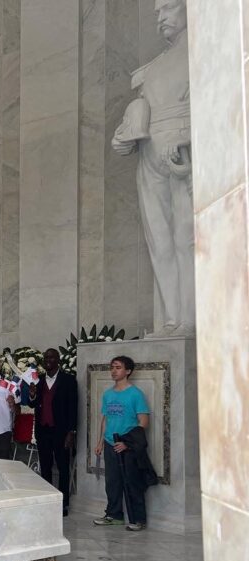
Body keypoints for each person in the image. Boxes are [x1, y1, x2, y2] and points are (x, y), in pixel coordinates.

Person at [111, 0, 195, 335]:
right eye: (157, 12)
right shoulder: (152, 68)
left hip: (183, 152)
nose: (160, 17)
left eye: (168, 8)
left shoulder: (201, 56)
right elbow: (140, 112)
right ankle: (171, 320)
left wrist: (190, 140)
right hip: (150, 156)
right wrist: (124, 137)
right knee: (159, 242)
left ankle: (190, 319)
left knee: (186, 238)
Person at [94, 355, 154, 531]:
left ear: (128, 371)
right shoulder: (108, 394)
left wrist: (129, 443)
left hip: (127, 445)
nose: (114, 371)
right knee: (112, 482)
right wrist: (100, 442)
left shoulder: (135, 394)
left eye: (118, 367)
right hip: (110, 443)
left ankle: (138, 519)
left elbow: (143, 422)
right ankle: (114, 515)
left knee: (132, 482)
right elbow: (105, 419)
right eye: (112, 367)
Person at [28, 348, 78, 515]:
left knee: (63, 467)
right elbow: (32, 404)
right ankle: (49, 499)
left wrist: (71, 432)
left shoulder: (69, 381)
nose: (48, 360)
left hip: (61, 431)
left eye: (51, 357)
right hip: (43, 431)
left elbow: (73, 408)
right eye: (46, 357)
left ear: (58, 361)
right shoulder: (39, 382)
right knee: (46, 466)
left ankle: (63, 504)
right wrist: (33, 395)